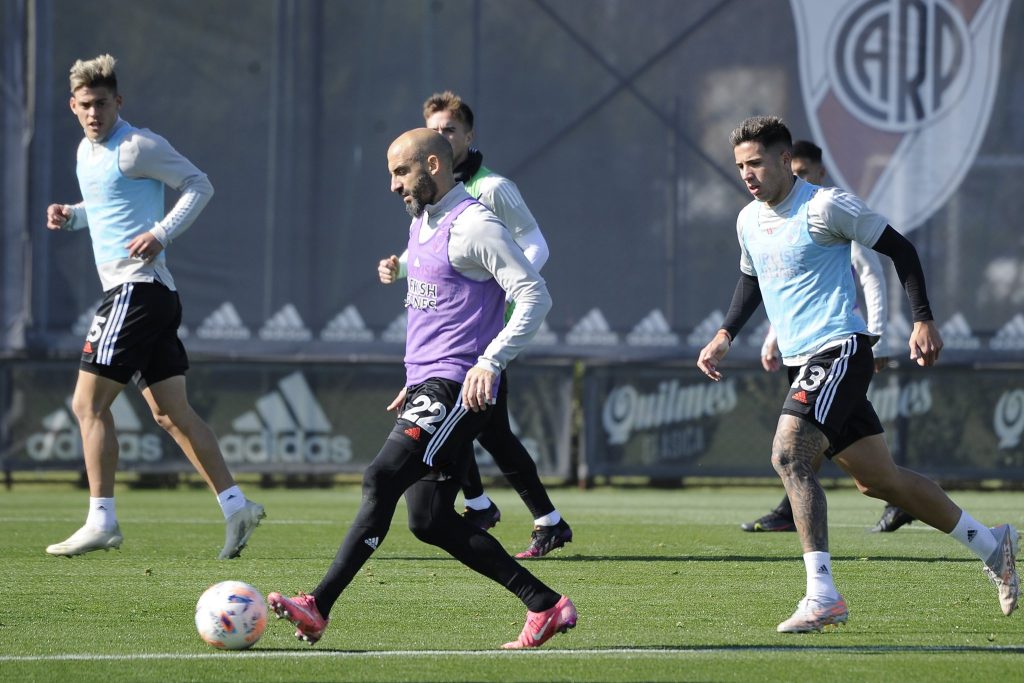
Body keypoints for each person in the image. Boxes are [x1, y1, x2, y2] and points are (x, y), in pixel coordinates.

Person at [697, 115, 1018, 632]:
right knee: (879, 482)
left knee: (787, 453)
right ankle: (993, 543)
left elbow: (901, 249)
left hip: (840, 350)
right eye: (739, 166)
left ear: (784, 160)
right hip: (803, 361)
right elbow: (750, 279)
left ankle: (822, 595)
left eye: (755, 162)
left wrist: (922, 320)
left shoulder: (825, 205)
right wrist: (724, 335)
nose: (747, 174)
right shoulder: (747, 220)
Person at [268, 128, 577, 649]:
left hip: (460, 385)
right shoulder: (422, 223)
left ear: (434, 165)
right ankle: (545, 605)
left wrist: (490, 361)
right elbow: (439, 312)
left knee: (380, 477)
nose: (392, 185)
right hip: (429, 384)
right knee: (430, 519)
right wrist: (414, 382)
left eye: (400, 172)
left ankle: (317, 605)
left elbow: (534, 295)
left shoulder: (475, 223)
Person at [44, 54, 264, 560]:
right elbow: (106, 210)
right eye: (85, 105)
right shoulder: (86, 152)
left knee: (86, 404)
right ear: (72, 107)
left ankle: (102, 519)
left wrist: (161, 233)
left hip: (136, 291)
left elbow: (199, 184)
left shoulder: (138, 144)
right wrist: (71, 216)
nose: (94, 113)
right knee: (169, 413)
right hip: (152, 297)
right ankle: (237, 506)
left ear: (118, 102)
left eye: (102, 103)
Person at [376, 91, 571, 559]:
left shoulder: (491, 188)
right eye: (435, 128)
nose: (443, 135)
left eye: (450, 129)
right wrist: (399, 266)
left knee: (482, 427)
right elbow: (438, 254)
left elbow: (533, 244)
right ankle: (514, 512)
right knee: (482, 428)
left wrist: (505, 292)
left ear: (467, 135)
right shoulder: (428, 194)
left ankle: (520, 514)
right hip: (457, 337)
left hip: (486, 331)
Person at [740, 140, 914, 534]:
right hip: (807, 348)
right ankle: (967, 528)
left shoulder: (828, 210)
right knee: (869, 471)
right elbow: (788, 287)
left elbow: (871, 275)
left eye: (802, 173)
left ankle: (807, 552)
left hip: (840, 345)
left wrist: (880, 337)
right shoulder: (773, 220)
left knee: (795, 441)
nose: (795, 179)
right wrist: (772, 338)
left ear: (817, 174)